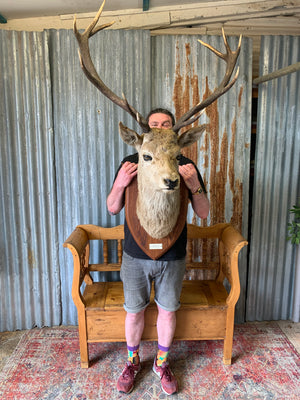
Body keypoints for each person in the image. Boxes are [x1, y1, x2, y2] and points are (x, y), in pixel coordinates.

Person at [107, 108, 209, 395]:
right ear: (141, 135)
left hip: (172, 253)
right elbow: (113, 207)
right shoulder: (130, 162)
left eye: (166, 124)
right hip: (135, 253)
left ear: (177, 133)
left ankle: (161, 364)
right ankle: (132, 361)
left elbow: (202, 213)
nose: (161, 127)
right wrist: (120, 183)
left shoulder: (185, 165)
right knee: (134, 312)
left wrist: (194, 185)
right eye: (155, 124)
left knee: (167, 311)